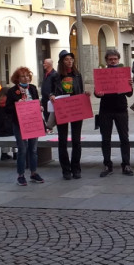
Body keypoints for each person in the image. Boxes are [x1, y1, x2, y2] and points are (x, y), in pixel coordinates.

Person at [49, 50, 90, 180]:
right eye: (66, 59)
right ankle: (66, 170)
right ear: (62, 61)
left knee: (76, 140)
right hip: (62, 110)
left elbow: (81, 90)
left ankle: (76, 168)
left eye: (71, 59)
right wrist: (51, 96)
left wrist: (86, 94)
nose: (69, 61)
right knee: (62, 141)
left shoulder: (77, 75)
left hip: (76, 109)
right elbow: (48, 91)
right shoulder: (56, 76)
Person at [94, 49, 134, 177]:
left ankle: (126, 164)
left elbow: (129, 94)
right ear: (106, 60)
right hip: (105, 110)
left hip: (121, 109)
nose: (113, 61)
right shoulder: (102, 74)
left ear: (118, 59)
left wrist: (130, 86)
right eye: (110, 59)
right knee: (105, 139)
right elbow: (97, 93)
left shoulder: (124, 74)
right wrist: (97, 93)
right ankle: (107, 164)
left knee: (124, 138)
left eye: (115, 59)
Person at [6, 66, 44, 186]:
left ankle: (33, 172)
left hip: (33, 121)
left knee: (33, 149)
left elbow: (37, 102)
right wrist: (17, 104)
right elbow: (7, 109)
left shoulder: (32, 88)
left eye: (27, 75)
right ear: (17, 78)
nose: (26, 78)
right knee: (22, 149)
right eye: (23, 76)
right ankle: (21, 175)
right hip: (19, 123)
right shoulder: (12, 91)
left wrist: (40, 107)